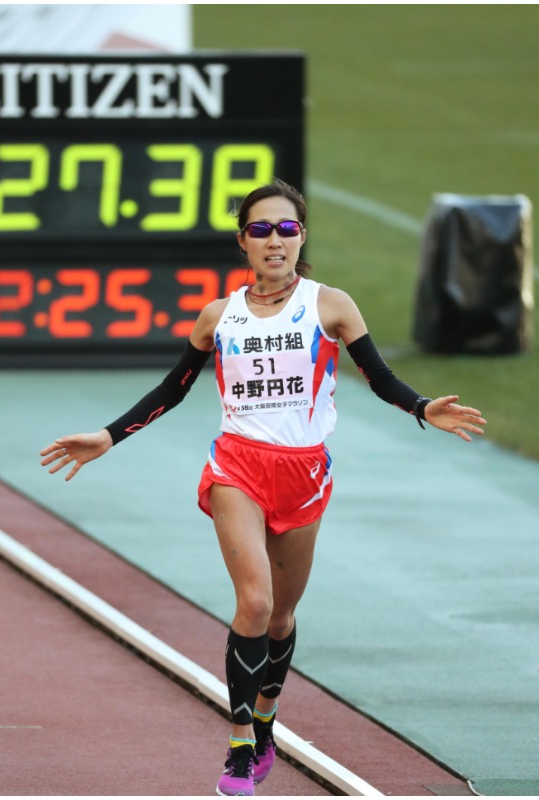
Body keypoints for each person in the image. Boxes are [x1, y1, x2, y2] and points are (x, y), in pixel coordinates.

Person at [39, 178, 485, 797]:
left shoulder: (331, 305)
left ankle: (268, 714)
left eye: (287, 228)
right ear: (242, 242)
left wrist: (421, 407)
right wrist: (109, 437)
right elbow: (172, 390)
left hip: (303, 474)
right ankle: (240, 743)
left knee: (280, 615)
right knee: (252, 603)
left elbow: (379, 377)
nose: (274, 240)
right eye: (260, 229)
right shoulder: (218, 316)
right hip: (237, 468)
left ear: (300, 237)